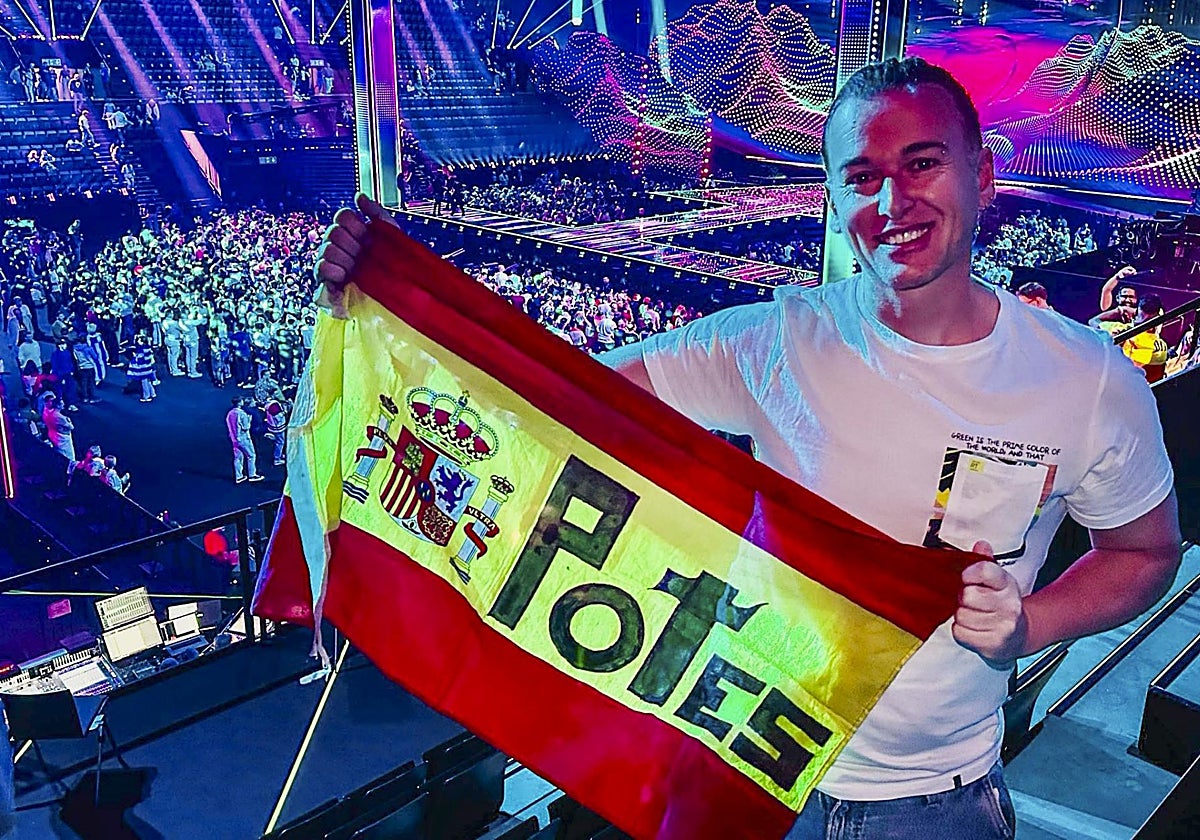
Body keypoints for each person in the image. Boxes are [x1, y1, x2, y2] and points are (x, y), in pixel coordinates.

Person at [315, 57, 1180, 838]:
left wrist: (1034, 623)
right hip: (744, 776)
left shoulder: (1087, 381)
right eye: (863, 177)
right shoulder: (776, 340)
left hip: (935, 799)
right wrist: (392, 300)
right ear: (837, 201)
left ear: (982, 173)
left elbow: (1144, 551)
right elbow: (557, 395)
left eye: (922, 163)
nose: (893, 202)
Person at [226, 397, 263, 483]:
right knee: (251, 455)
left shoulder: (230, 413)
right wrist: (249, 420)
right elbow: (246, 427)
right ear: (239, 403)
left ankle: (239, 476)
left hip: (234, 438)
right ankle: (252, 475)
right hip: (243, 438)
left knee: (238, 457)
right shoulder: (242, 414)